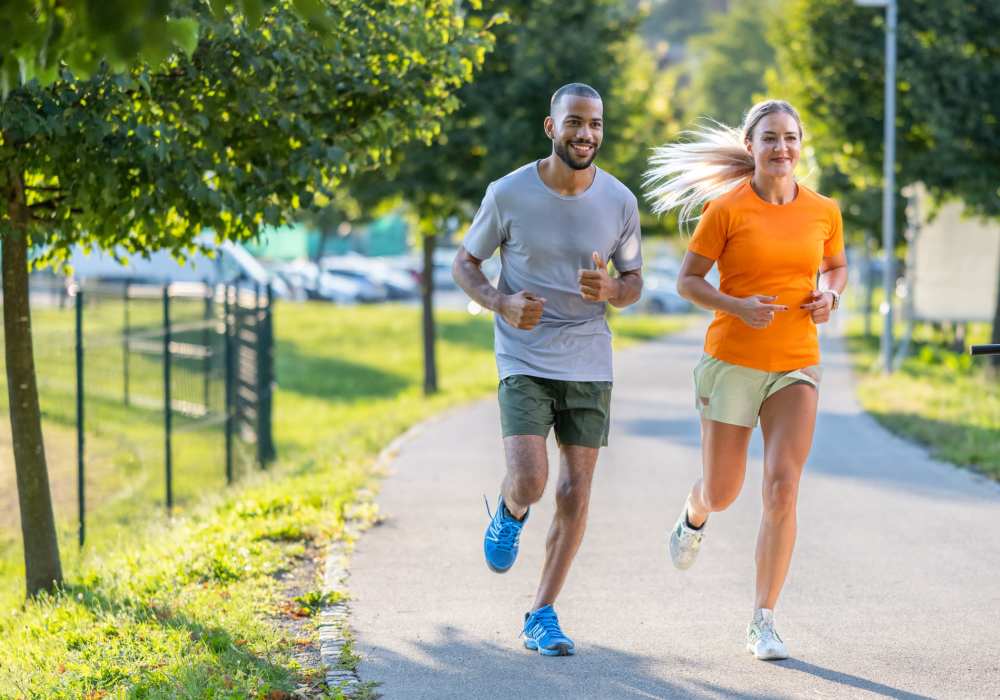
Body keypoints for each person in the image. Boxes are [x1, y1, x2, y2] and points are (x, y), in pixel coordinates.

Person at [644, 99, 847, 660]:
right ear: (750, 145)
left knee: (782, 487)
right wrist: (735, 304)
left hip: (796, 363)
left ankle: (763, 620)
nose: (782, 148)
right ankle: (695, 512)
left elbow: (835, 266)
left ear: (800, 144)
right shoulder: (726, 209)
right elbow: (688, 281)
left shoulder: (824, 210)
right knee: (725, 491)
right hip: (732, 361)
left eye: (791, 138)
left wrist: (830, 293)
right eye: (770, 138)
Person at [453, 82, 643, 657]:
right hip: (524, 352)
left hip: (588, 354)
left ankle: (541, 612)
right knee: (533, 480)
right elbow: (466, 262)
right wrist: (499, 302)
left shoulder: (619, 201)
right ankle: (511, 510)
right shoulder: (508, 193)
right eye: (575, 123)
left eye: (596, 124)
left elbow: (634, 284)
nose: (587, 134)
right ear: (550, 127)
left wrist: (612, 287)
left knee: (574, 489)